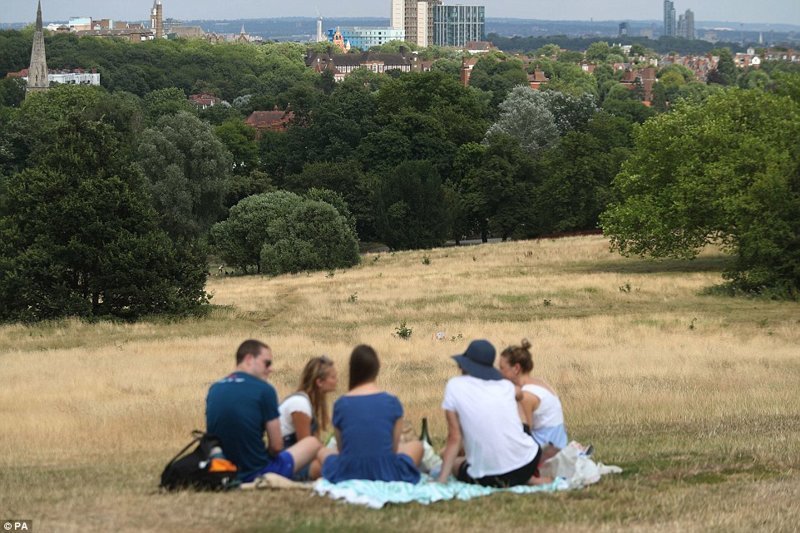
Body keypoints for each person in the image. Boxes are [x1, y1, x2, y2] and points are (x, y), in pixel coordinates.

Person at [206, 339, 322, 482]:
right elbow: (276, 446)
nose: (270, 369)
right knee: (312, 443)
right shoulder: (265, 390)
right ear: (249, 359)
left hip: (222, 469)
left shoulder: (215, 388)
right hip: (255, 471)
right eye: (267, 363)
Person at [438, 339, 548, 487]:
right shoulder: (505, 386)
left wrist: (441, 480)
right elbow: (519, 394)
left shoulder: (454, 386)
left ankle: (515, 474)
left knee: (455, 463)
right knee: (516, 404)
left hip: (488, 478)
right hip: (528, 462)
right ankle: (526, 477)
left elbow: (454, 438)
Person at [319, 345, 423, 483]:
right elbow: (393, 447)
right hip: (386, 472)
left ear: (352, 369)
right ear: (377, 368)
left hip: (350, 471)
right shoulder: (392, 402)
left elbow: (341, 448)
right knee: (417, 446)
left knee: (321, 451)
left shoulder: (341, 404)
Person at [498, 339, 568, 450]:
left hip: (545, 453)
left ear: (516, 368)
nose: (499, 372)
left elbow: (524, 433)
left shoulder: (526, 396)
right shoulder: (540, 383)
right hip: (559, 445)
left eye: (502, 368)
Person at [278, 355, 337, 480]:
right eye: (333, 377)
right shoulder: (300, 404)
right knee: (327, 468)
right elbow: (306, 446)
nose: (336, 380)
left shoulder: (307, 404)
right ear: (319, 382)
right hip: (286, 460)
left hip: (295, 457)